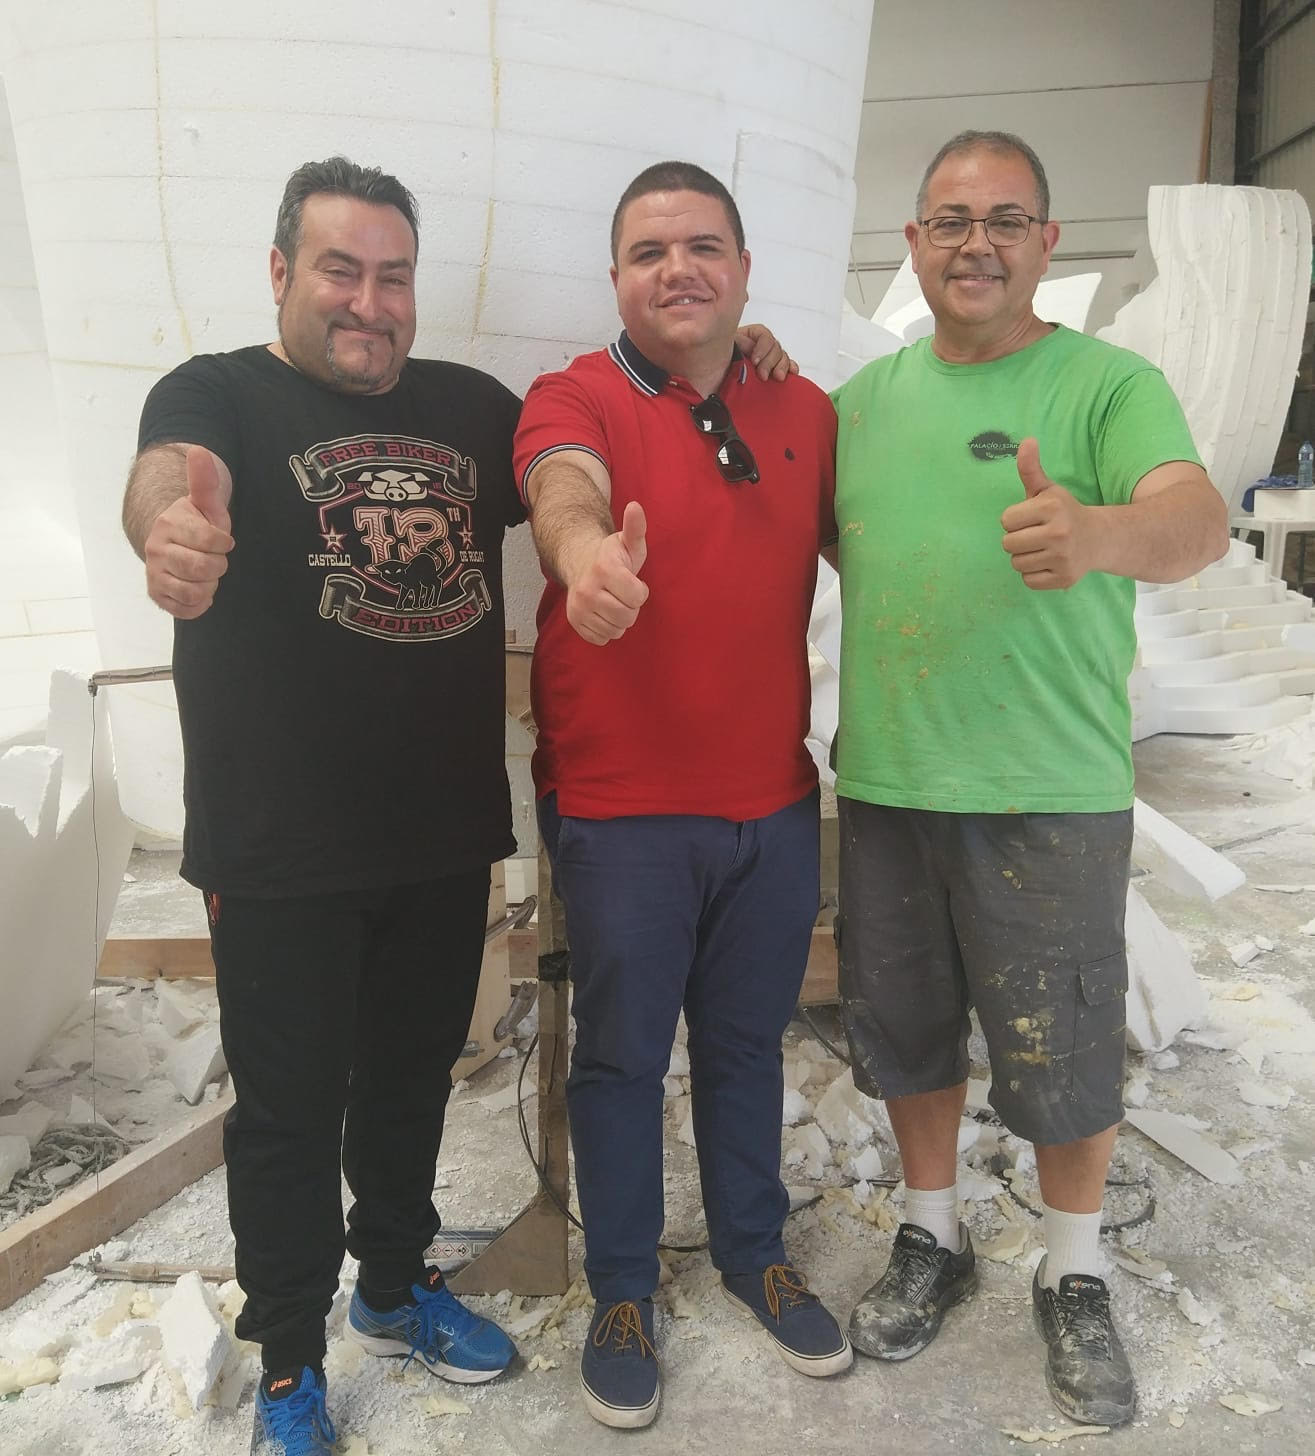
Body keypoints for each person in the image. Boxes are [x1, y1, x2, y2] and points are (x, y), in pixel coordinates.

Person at [122, 155, 794, 1456]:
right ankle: (289, 1363)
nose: (368, 301)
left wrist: (733, 355)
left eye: (393, 276)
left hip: (438, 837)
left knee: (406, 1088)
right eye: (340, 270)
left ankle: (390, 1287)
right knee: (287, 1113)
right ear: (281, 272)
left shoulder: (470, 407)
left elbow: (576, 459)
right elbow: (167, 473)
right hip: (276, 847)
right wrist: (168, 532)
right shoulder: (217, 392)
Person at [830, 130, 1228, 1428]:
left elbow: (1196, 520)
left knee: (1060, 1051)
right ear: (912, 242)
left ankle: (1072, 1269)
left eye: (1005, 221)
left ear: (1047, 244)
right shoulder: (861, 405)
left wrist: (1098, 531)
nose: (976, 245)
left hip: (1048, 787)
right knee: (905, 1033)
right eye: (950, 221)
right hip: (890, 780)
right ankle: (931, 1233)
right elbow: (834, 539)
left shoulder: (1107, 386)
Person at [514, 160, 852, 1431]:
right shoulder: (575, 394)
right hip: (621, 811)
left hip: (772, 800)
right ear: (616, 276)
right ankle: (620, 1288)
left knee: (748, 1043)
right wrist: (584, 556)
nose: (679, 270)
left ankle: (753, 1251)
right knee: (617, 1058)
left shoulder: (801, 407)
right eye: (650, 251)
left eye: (703, 246)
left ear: (744, 269)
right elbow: (561, 485)